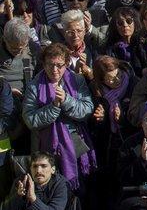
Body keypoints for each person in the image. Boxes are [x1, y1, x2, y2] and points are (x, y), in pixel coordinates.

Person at [23, 43, 95, 189]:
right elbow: (30, 119)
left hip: (75, 145)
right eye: (50, 65)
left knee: (79, 191)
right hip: (46, 149)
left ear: (67, 63)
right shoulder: (34, 86)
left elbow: (87, 110)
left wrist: (67, 100)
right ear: (43, 64)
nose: (55, 70)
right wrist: (54, 106)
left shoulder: (77, 80)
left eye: (59, 65)